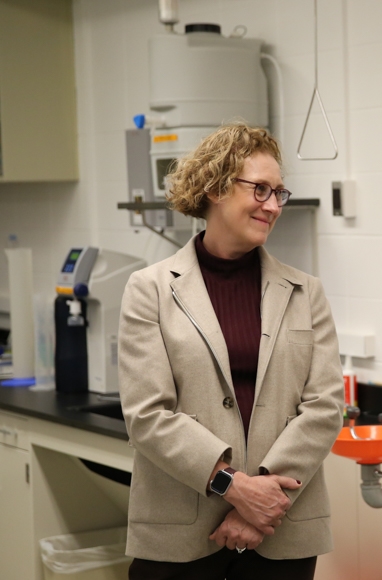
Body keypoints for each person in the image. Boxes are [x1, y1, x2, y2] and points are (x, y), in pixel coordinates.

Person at [118, 123, 343, 580]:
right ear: (216, 188)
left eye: (280, 192)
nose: (274, 205)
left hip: (281, 529)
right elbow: (147, 414)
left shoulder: (305, 291)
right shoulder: (151, 290)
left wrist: (261, 502)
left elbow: (324, 407)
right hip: (180, 533)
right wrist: (232, 486)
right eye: (260, 189)